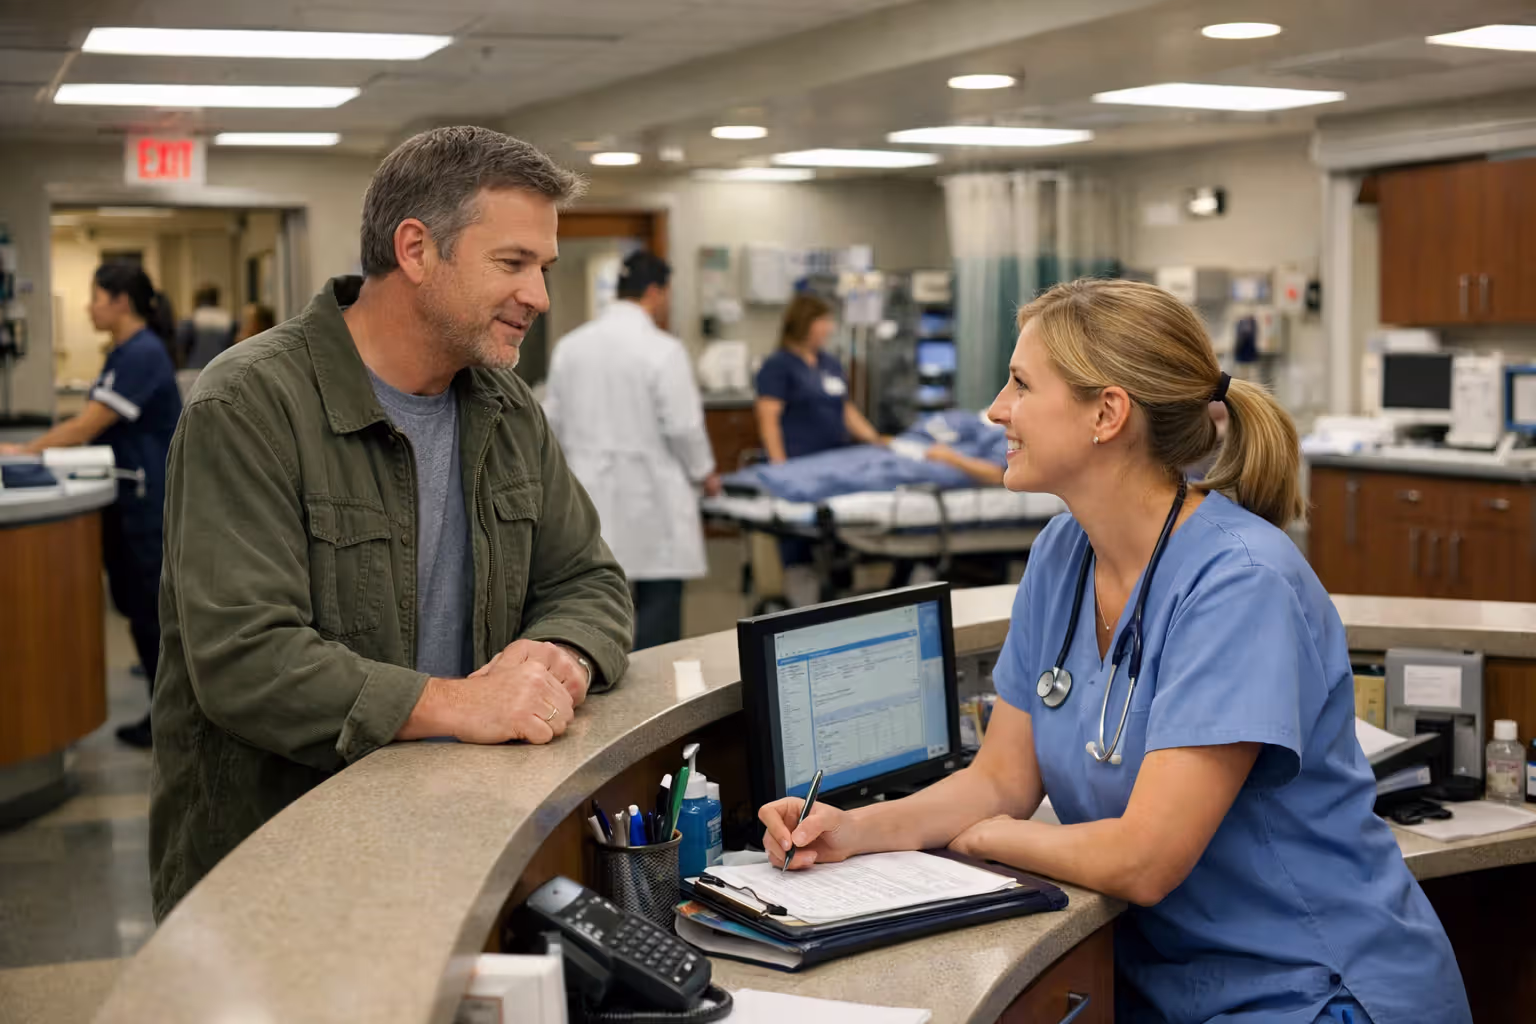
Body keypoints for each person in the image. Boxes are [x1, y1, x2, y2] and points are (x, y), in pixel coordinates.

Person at [757, 279, 1471, 1024]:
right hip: (1172, 985)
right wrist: (853, 831)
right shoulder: (1063, 552)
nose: (996, 410)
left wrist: (993, 840)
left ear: (1107, 413)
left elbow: (1145, 859)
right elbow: (1001, 777)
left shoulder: (1241, 584)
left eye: (1021, 384)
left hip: (1314, 987)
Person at [148, 126, 634, 920]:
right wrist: (462, 703)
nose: (541, 297)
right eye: (512, 264)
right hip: (274, 870)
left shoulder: (505, 405)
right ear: (415, 250)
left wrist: (559, 660)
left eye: (541, 269)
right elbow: (246, 660)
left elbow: (588, 579)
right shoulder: (250, 404)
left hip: (459, 842)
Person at [1, 263, 181, 749]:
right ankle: (161, 701)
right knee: (137, 603)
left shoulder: (141, 353)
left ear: (121, 301)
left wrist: (22, 451)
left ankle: (169, 719)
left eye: (96, 297)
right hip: (129, 494)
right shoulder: (125, 352)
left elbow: (86, 426)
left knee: (149, 609)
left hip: (145, 498)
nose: (89, 306)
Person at [543, 251, 721, 650]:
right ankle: (659, 697)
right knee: (659, 604)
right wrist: (704, 473)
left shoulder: (571, 347)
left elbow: (551, 421)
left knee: (596, 601)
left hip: (588, 496)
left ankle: (602, 676)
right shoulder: (663, 350)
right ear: (656, 292)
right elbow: (684, 426)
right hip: (654, 498)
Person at [753, 294, 885, 605]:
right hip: (799, 464)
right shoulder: (778, 366)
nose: (829, 327)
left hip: (835, 462)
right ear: (805, 324)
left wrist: (876, 440)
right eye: (823, 321)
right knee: (800, 538)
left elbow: (846, 411)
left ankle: (840, 595)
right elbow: (768, 418)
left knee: (837, 536)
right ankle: (801, 598)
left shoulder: (829, 364)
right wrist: (779, 466)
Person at [174, 283, 235, 369]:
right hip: (223, 368)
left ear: (197, 300)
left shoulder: (190, 322)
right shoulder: (228, 321)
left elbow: (180, 347)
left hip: (195, 370)